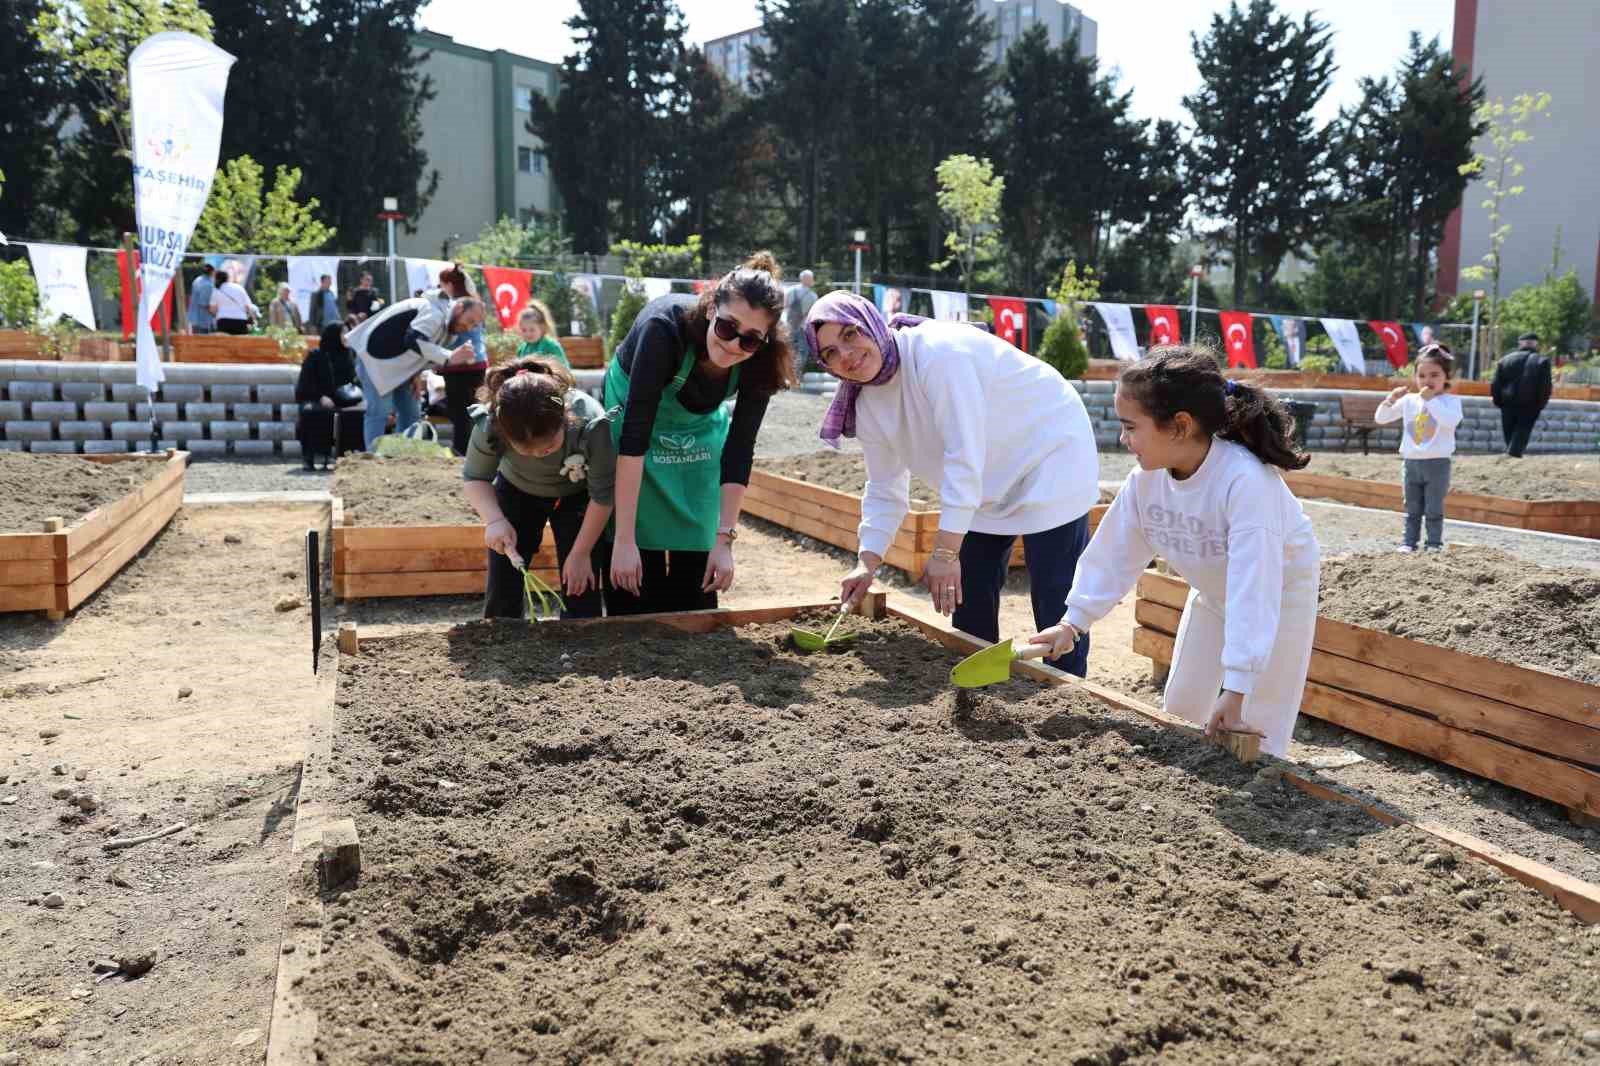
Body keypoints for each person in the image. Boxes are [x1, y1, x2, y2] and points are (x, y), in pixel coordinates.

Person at [1029, 348, 1319, 757]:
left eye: (1131, 427)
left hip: (1279, 594)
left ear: (1179, 426)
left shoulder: (1245, 483)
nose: (1123, 439)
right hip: (1213, 592)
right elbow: (1114, 553)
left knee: (1258, 727)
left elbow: (1254, 590)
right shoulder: (1146, 481)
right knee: (1181, 707)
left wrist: (1236, 688)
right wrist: (1072, 624)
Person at [815, 292, 1100, 675]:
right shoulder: (866, 404)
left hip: (1049, 453)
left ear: (873, 324)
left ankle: (1070, 699)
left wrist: (945, 553)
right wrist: (866, 562)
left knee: (1053, 594)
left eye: (851, 334)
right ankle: (977, 692)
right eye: (831, 352)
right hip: (983, 482)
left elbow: (963, 456)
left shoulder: (939, 354)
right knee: (968, 601)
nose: (845, 354)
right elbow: (885, 488)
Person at [605, 251, 797, 615]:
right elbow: (633, 438)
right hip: (635, 409)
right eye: (727, 327)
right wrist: (625, 541)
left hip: (697, 422)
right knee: (636, 537)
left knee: (698, 521)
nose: (733, 345)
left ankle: (694, 602)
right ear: (711, 309)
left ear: (765, 340)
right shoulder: (662, 330)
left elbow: (739, 450)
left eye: (750, 339)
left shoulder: (762, 363)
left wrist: (724, 542)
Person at [463, 357, 617, 620]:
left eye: (547, 446)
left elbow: (603, 495)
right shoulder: (491, 423)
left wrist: (580, 554)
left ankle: (582, 640)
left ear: (564, 419)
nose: (537, 454)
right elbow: (475, 477)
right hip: (516, 490)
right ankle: (502, 635)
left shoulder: (590, 422)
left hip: (577, 496)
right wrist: (495, 520)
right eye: (526, 449)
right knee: (504, 576)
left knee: (581, 579)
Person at [344, 291, 484, 449]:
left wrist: (416, 374)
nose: (469, 327)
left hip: (401, 370)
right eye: (470, 320)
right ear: (459, 308)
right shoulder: (434, 313)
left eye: (474, 325)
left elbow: (423, 352)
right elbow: (413, 339)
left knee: (410, 412)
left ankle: (402, 456)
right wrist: (450, 356)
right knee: (379, 412)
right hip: (373, 361)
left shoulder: (450, 330)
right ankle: (374, 459)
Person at [1375, 344, 1462, 553]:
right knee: (1411, 507)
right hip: (1411, 462)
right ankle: (1408, 542)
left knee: (1433, 507)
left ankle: (1433, 544)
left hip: (1437, 464)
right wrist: (1391, 399)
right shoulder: (1409, 401)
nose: (1427, 380)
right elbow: (1381, 418)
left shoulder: (1451, 401)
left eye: (1434, 375)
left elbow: (1450, 422)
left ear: (1446, 377)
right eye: (1422, 375)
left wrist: (1430, 401)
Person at [434, 263, 488, 457]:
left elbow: (447, 338)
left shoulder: (455, 307)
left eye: (442, 285)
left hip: (458, 366)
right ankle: (478, 451)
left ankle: (461, 451)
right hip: (479, 364)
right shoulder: (476, 304)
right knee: (475, 410)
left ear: (449, 284)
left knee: (459, 413)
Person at [294, 322, 360, 471]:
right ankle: (310, 456)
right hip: (316, 397)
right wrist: (320, 397)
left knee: (355, 414)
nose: (345, 337)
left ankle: (347, 456)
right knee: (312, 412)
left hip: (344, 398)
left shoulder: (348, 354)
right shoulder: (316, 355)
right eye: (342, 333)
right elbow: (305, 383)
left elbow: (354, 380)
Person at [1490, 332, 1553, 458]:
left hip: (1507, 402)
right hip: (1530, 403)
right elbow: (1545, 386)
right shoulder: (1542, 361)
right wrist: (1541, 403)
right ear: (1536, 344)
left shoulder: (1505, 360)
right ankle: (1513, 454)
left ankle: (1510, 453)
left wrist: (1498, 401)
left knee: (1509, 429)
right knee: (1523, 429)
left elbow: (1496, 383)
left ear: (1520, 343)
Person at [784, 269, 818, 371]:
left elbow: (784, 307)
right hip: (803, 327)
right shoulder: (813, 296)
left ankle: (786, 371)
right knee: (803, 350)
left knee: (787, 348)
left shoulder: (790, 291)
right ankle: (796, 372)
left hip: (788, 325)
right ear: (809, 280)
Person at [516, 301, 568, 367]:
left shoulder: (552, 346)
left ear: (542, 327)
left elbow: (562, 368)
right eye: (524, 330)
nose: (528, 334)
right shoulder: (522, 349)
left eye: (532, 330)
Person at [209, 270, 258, 335]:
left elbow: (212, 310)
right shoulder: (239, 288)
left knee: (225, 344)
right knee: (239, 344)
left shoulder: (217, 290)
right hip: (240, 321)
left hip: (223, 321)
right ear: (227, 278)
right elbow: (248, 306)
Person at [187, 263, 216, 335]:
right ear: (212, 272)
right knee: (202, 343)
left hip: (194, 318)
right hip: (203, 320)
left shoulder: (197, 280)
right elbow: (204, 303)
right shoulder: (208, 285)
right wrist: (214, 312)